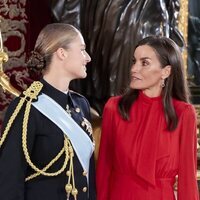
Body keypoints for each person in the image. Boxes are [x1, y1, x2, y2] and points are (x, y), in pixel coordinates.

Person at [0, 23, 96, 200]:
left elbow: (88, 179)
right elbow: (10, 182)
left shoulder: (81, 105)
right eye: (82, 50)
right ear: (62, 53)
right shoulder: (26, 108)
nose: (87, 57)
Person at [96, 36, 199, 200]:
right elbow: (103, 170)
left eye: (144, 63)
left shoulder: (183, 113)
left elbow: (188, 179)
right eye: (134, 61)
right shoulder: (114, 107)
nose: (134, 69)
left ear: (166, 71)